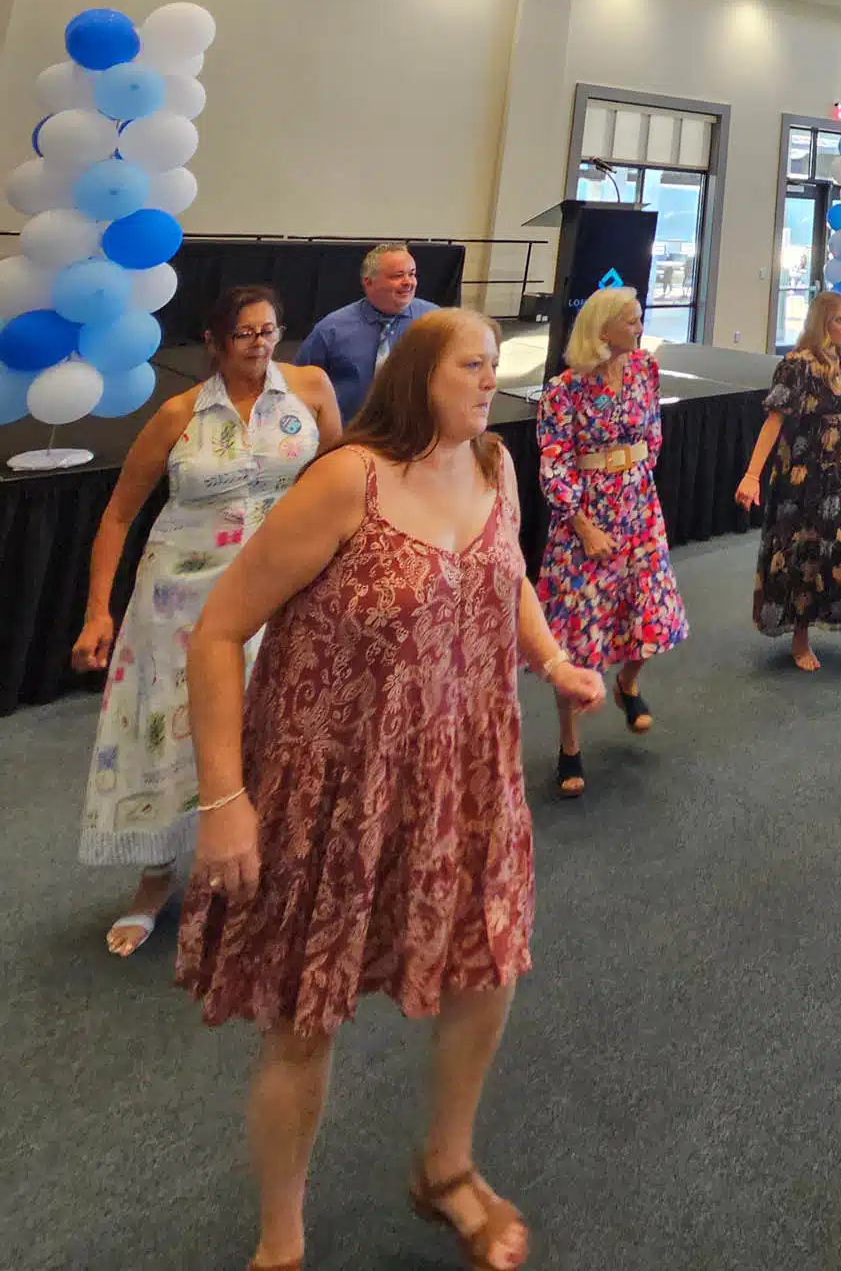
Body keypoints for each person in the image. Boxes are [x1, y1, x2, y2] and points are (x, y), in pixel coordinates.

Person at [175, 310, 605, 1271]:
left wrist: (550, 658)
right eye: (470, 365)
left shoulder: (493, 464)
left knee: (487, 969)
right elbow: (217, 631)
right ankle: (280, 1240)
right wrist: (223, 798)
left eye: (494, 365)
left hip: (466, 774)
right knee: (305, 1016)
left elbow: (509, 575)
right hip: (334, 784)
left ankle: (446, 1170)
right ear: (417, 375)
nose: (489, 381)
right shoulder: (348, 481)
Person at [73, 285, 340, 958]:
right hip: (180, 605)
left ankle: (264, 875)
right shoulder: (179, 413)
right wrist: (97, 611)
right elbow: (118, 515)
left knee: (275, 729)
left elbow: (339, 480)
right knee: (171, 733)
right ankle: (154, 880)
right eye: (245, 334)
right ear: (216, 343)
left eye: (269, 330)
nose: (260, 344)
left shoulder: (310, 389)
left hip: (279, 593)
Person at [534, 284, 688, 798]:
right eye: (631, 320)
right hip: (586, 513)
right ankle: (569, 745)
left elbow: (654, 436)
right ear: (602, 329)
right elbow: (554, 463)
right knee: (578, 633)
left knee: (653, 610)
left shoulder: (645, 369)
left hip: (638, 505)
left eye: (639, 318)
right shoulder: (564, 389)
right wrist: (582, 524)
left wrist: (638, 486)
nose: (639, 327)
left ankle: (627, 682)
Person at [734, 288, 841, 672]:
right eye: (837, 321)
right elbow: (774, 420)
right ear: (820, 322)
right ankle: (800, 637)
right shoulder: (797, 365)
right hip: (806, 470)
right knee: (806, 550)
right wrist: (751, 475)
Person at [293, 242, 438, 423]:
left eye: (412, 274)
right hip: (347, 432)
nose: (408, 282)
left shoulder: (435, 321)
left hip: (415, 431)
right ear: (368, 282)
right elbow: (298, 384)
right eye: (397, 275)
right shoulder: (331, 329)